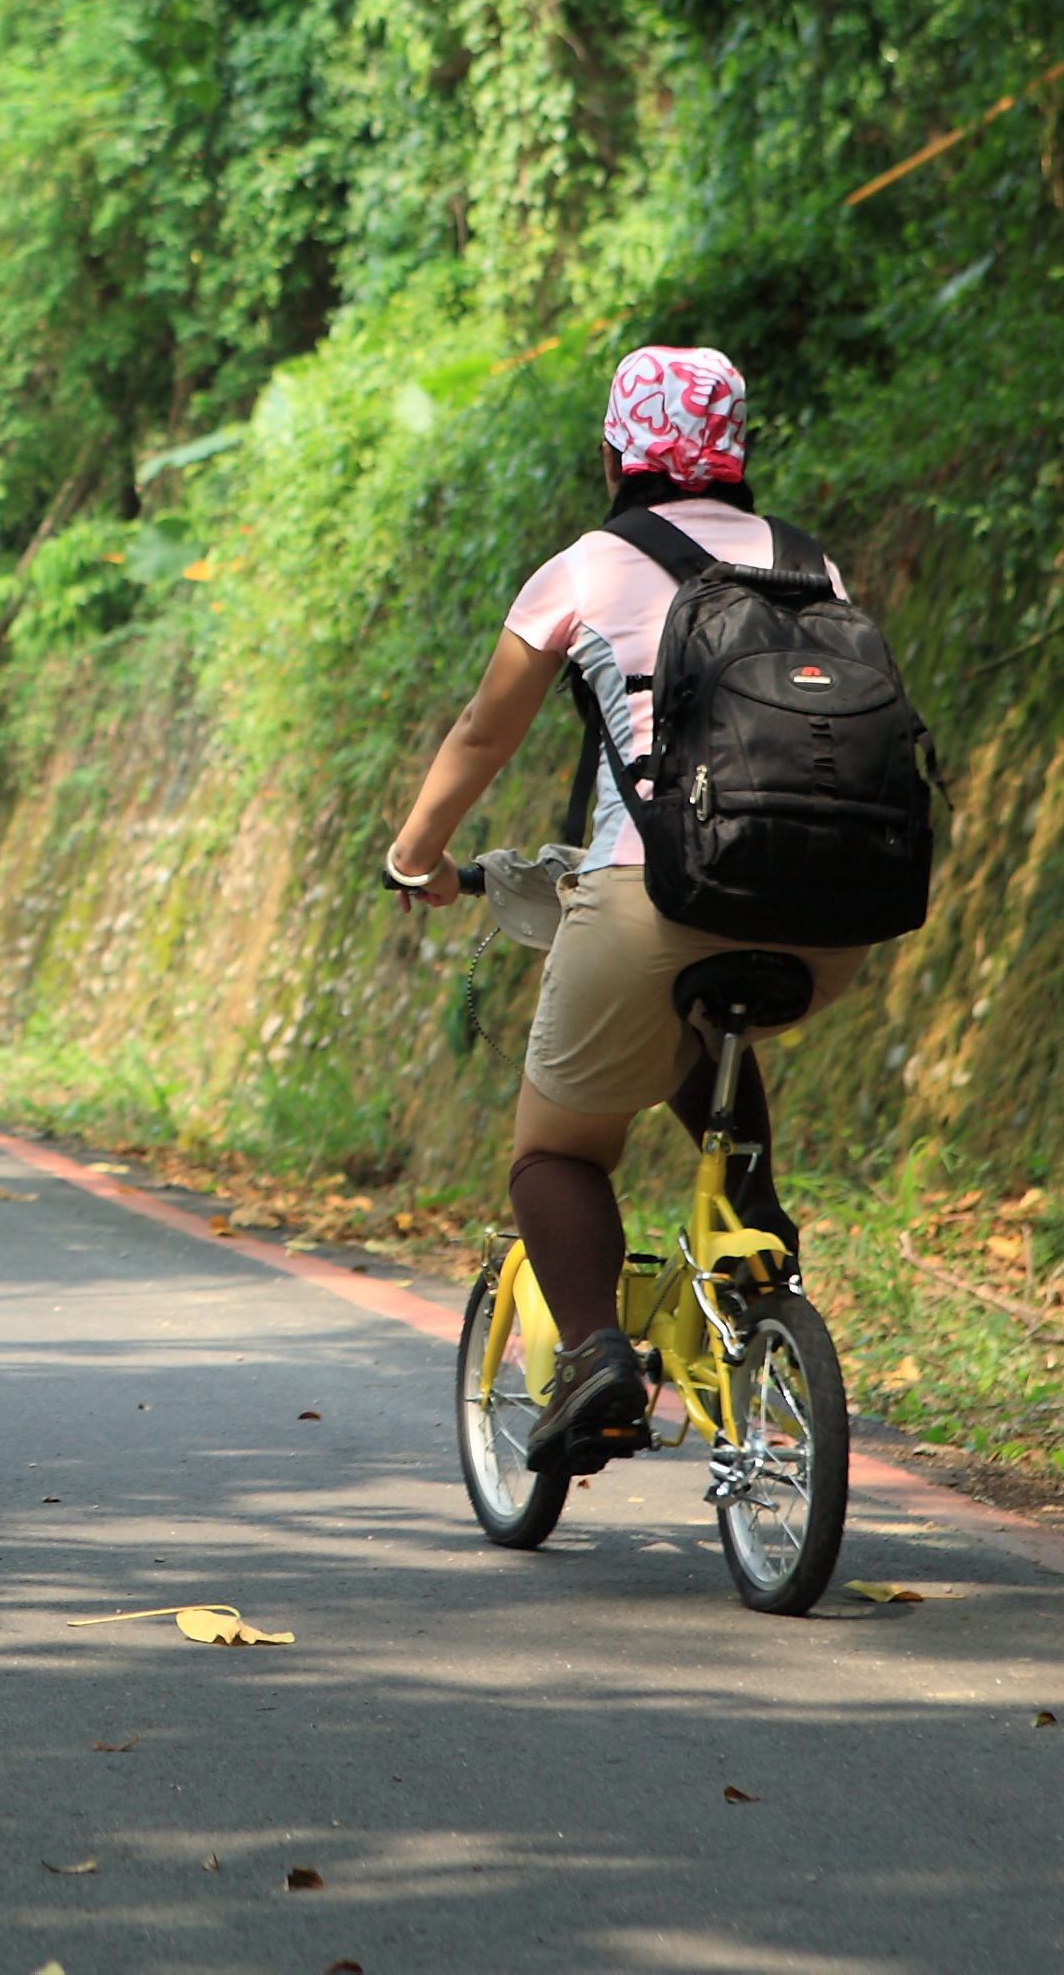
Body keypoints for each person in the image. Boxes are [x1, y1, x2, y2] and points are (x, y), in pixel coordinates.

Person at [378, 345, 882, 1476]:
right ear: (737, 451)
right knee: (703, 1044)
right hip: (836, 914)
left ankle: (597, 1357)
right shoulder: (815, 566)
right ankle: (759, 1264)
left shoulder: (587, 566)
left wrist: (418, 857)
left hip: (651, 897)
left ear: (614, 451)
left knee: (554, 1150)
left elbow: (482, 732)